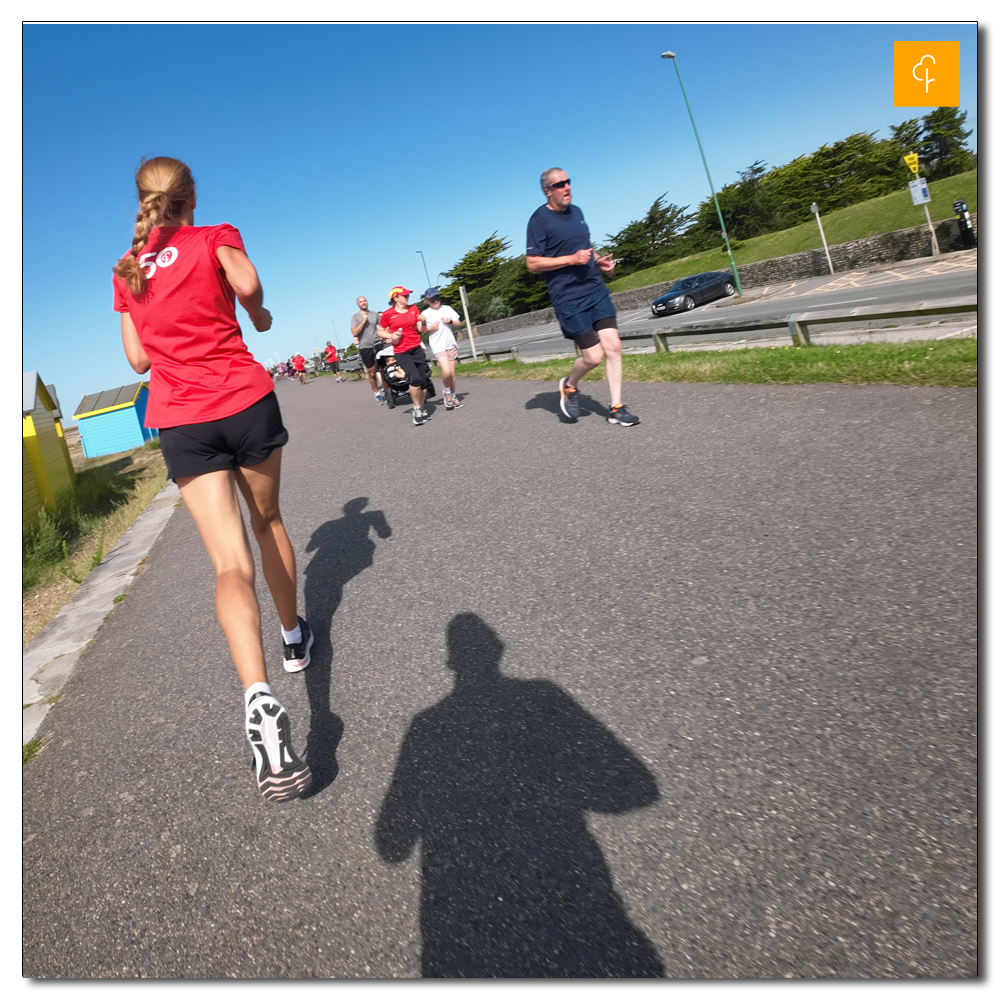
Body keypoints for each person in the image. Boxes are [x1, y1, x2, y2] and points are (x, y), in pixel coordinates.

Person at [112, 156, 314, 803]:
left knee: (229, 566)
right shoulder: (214, 235)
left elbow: (138, 357)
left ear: (144, 201)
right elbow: (250, 286)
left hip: (183, 423)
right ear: (191, 197)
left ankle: (257, 698)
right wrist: (259, 316)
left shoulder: (130, 268)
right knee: (269, 521)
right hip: (244, 402)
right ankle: (292, 638)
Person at [525, 169, 639, 427]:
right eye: (560, 184)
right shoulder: (538, 220)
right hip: (568, 297)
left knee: (614, 346)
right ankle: (569, 385)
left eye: (568, 182)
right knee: (593, 357)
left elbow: (586, 246)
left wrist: (598, 261)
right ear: (548, 190)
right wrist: (570, 260)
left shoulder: (577, 212)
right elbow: (532, 263)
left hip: (595, 288)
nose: (567, 187)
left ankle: (616, 408)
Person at [377, 286, 433, 426]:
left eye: (408, 295)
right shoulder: (388, 314)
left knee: (423, 381)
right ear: (395, 297)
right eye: (404, 295)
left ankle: (420, 408)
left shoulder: (414, 309)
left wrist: (424, 321)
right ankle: (416, 410)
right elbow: (380, 331)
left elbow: (421, 330)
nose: (407, 297)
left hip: (416, 348)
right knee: (414, 379)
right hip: (402, 351)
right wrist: (390, 335)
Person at [420, 287, 463, 409]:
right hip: (438, 345)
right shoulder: (425, 314)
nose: (436, 301)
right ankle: (447, 392)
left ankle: (453, 396)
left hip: (450, 344)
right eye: (432, 299)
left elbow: (458, 323)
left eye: (437, 298)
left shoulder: (447, 309)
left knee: (453, 374)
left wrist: (449, 321)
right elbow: (422, 331)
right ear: (427, 301)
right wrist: (430, 328)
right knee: (447, 372)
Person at [351, 295, 384, 402]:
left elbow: (383, 327)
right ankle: (376, 392)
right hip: (365, 347)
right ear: (357, 304)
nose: (363, 302)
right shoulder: (355, 317)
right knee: (372, 372)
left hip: (378, 344)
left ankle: (388, 390)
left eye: (364, 300)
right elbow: (355, 332)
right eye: (361, 302)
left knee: (384, 369)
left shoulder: (375, 314)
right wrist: (363, 321)